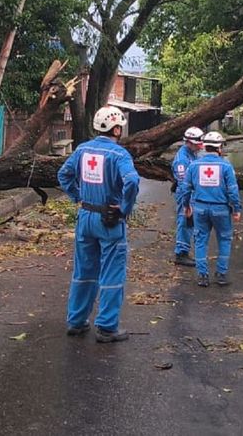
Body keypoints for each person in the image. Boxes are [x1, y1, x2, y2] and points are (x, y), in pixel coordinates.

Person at [58, 106, 141, 343]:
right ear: (115, 128)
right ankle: (106, 327)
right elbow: (132, 181)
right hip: (109, 219)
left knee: (84, 271)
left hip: (85, 217)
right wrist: (125, 208)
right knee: (112, 273)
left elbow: (63, 175)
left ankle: (76, 321)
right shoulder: (119, 155)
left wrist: (78, 197)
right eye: (120, 127)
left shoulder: (82, 150)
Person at [180, 131, 243, 287]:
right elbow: (233, 190)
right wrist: (236, 209)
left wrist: (186, 206)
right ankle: (221, 274)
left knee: (200, 240)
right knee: (224, 240)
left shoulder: (194, 165)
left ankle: (202, 275)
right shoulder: (226, 166)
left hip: (200, 208)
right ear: (219, 147)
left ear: (205, 147)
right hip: (221, 209)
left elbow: (185, 188)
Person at [171, 127, 205, 266]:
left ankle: (184, 250)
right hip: (185, 193)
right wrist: (186, 204)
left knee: (190, 222)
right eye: (197, 145)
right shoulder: (182, 159)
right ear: (190, 142)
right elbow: (183, 183)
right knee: (184, 221)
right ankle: (181, 253)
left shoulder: (191, 154)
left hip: (191, 193)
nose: (199, 148)